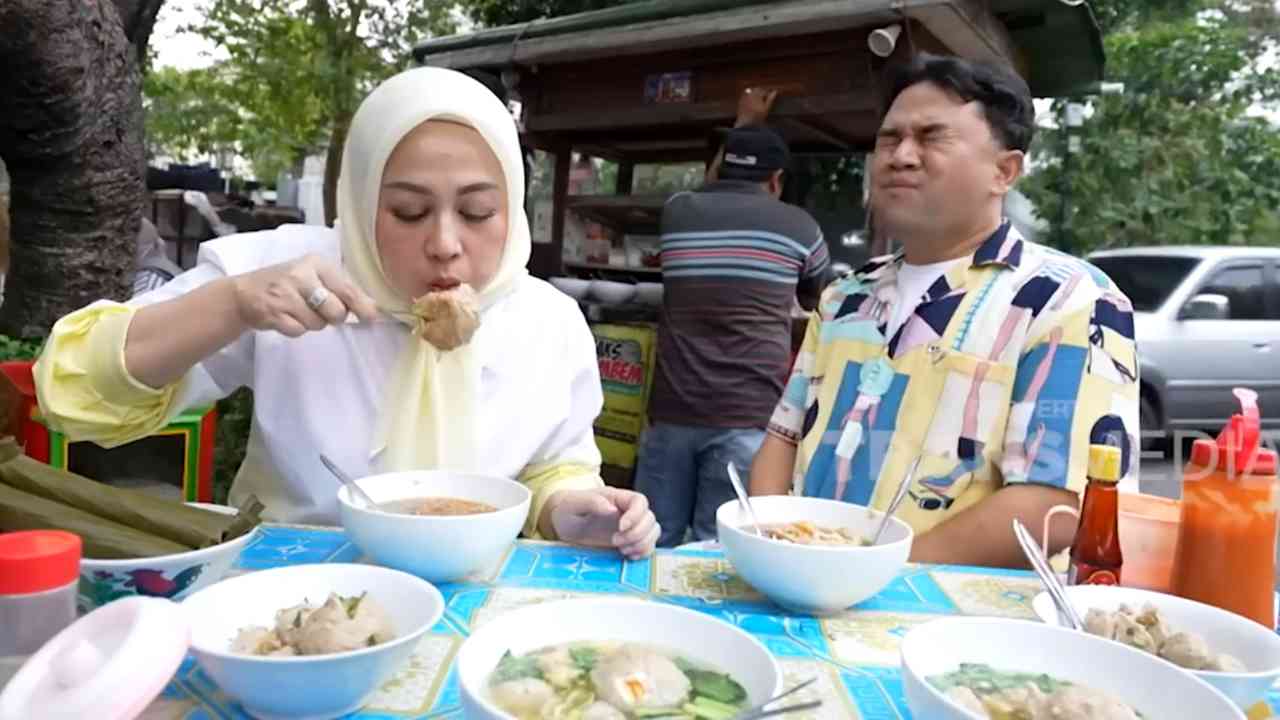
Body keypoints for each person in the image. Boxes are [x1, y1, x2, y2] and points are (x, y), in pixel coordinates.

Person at [34, 67, 659, 559]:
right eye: (409, 212)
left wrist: (571, 508)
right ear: (359, 205)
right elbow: (77, 393)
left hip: (475, 600)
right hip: (289, 593)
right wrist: (233, 303)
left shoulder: (546, 321)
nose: (445, 242)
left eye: (476, 212)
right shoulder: (290, 275)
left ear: (513, 209)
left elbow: (555, 463)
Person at [750, 53, 1140, 568]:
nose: (901, 156)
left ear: (1005, 171)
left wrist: (870, 577)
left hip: (952, 622)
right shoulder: (846, 296)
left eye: (932, 138)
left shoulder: (1069, 300)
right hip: (797, 591)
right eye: (889, 139)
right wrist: (769, 546)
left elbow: (1059, 502)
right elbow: (784, 435)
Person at [635, 102, 831, 547]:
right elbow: (813, 297)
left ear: (720, 167)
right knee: (720, 547)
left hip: (672, 410)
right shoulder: (801, 228)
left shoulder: (677, 211)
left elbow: (707, 192)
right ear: (776, 180)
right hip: (748, 414)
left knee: (651, 540)